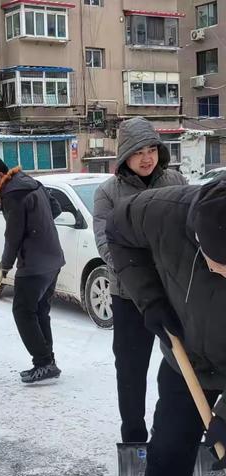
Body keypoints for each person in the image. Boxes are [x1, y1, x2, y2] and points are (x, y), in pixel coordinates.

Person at [106, 179, 226, 476]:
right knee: (168, 453)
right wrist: (150, 300)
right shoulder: (163, 211)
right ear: (197, 237)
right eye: (218, 263)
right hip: (186, 359)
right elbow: (117, 231)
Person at [93, 116, 187, 443]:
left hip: (176, 291)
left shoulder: (175, 180)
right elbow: (107, 246)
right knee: (132, 370)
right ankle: (134, 437)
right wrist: (143, 277)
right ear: (124, 156)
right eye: (138, 152)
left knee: (188, 365)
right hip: (129, 296)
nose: (147, 158)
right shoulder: (109, 193)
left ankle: (187, 433)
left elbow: (191, 229)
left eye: (152, 150)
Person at [0, 157, 64, 383]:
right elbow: (55, 208)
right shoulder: (30, 182)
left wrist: (5, 264)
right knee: (39, 311)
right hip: (53, 258)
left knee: (23, 312)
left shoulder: (11, 193)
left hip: (34, 264)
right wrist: (38, 226)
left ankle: (44, 362)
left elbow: (13, 235)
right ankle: (48, 362)